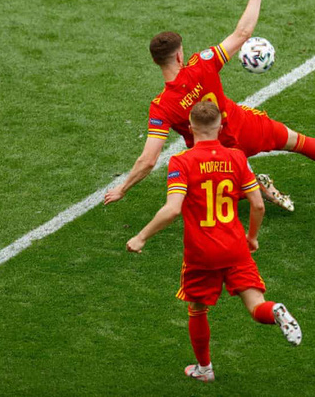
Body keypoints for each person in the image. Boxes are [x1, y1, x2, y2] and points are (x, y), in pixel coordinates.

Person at [104, 0, 315, 208]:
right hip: (245, 126)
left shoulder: (161, 107)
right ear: (180, 55)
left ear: (155, 61)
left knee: (198, 193)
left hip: (216, 155)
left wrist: (122, 188)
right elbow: (243, 32)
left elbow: (148, 160)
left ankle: (252, 185)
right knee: (300, 142)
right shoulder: (202, 63)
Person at [126, 101, 302, 383]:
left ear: (190, 127)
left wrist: (141, 237)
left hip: (201, 252)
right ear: (221, 127)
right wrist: (252, 237)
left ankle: (204, 369)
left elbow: (172, 209)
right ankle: (275, 311)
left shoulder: (181, 161)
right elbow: (258, 205)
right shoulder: (236, 157)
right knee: (256, 305)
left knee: (197, 309)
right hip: (235, 247)